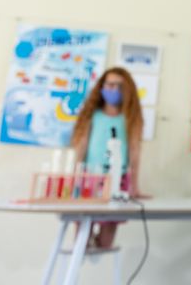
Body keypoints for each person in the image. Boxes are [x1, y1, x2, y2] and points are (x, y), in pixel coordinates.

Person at [70, 66, 144, 249]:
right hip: (89, 179)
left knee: (106, 242)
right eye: (110, 85)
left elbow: (134, 151)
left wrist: (135, 185)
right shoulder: (92, 116)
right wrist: (75, 178)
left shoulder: (130, 118)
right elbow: (82, 147)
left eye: (120, 86)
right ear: (102, 86)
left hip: (117, 181)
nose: (114, 90)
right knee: (82, 238)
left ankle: (99, 242)